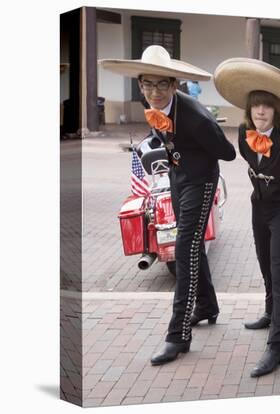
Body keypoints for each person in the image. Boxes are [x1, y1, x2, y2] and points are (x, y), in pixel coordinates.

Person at [100, 45, 236, 365]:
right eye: (148, 84)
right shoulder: (155, 107)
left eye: (162, 84)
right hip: (177, 178)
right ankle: (207, 305)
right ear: (140, 85)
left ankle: (178, 336)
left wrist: (197, 146)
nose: (155, 91)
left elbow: (227, 153)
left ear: (174, 85)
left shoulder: (198, 118)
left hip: (201, 182)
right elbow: (165, 138)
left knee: (184, 248)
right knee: (192, 247)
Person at [214, 58, 280, 377]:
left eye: (266, 107)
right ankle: (271, 313)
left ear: (276, 111)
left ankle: (277, 344)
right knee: (264, 264)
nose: (260, 112)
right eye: (255, 106)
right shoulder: (244, 133)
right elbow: (248, 160)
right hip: (259, 206)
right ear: (249, 110)